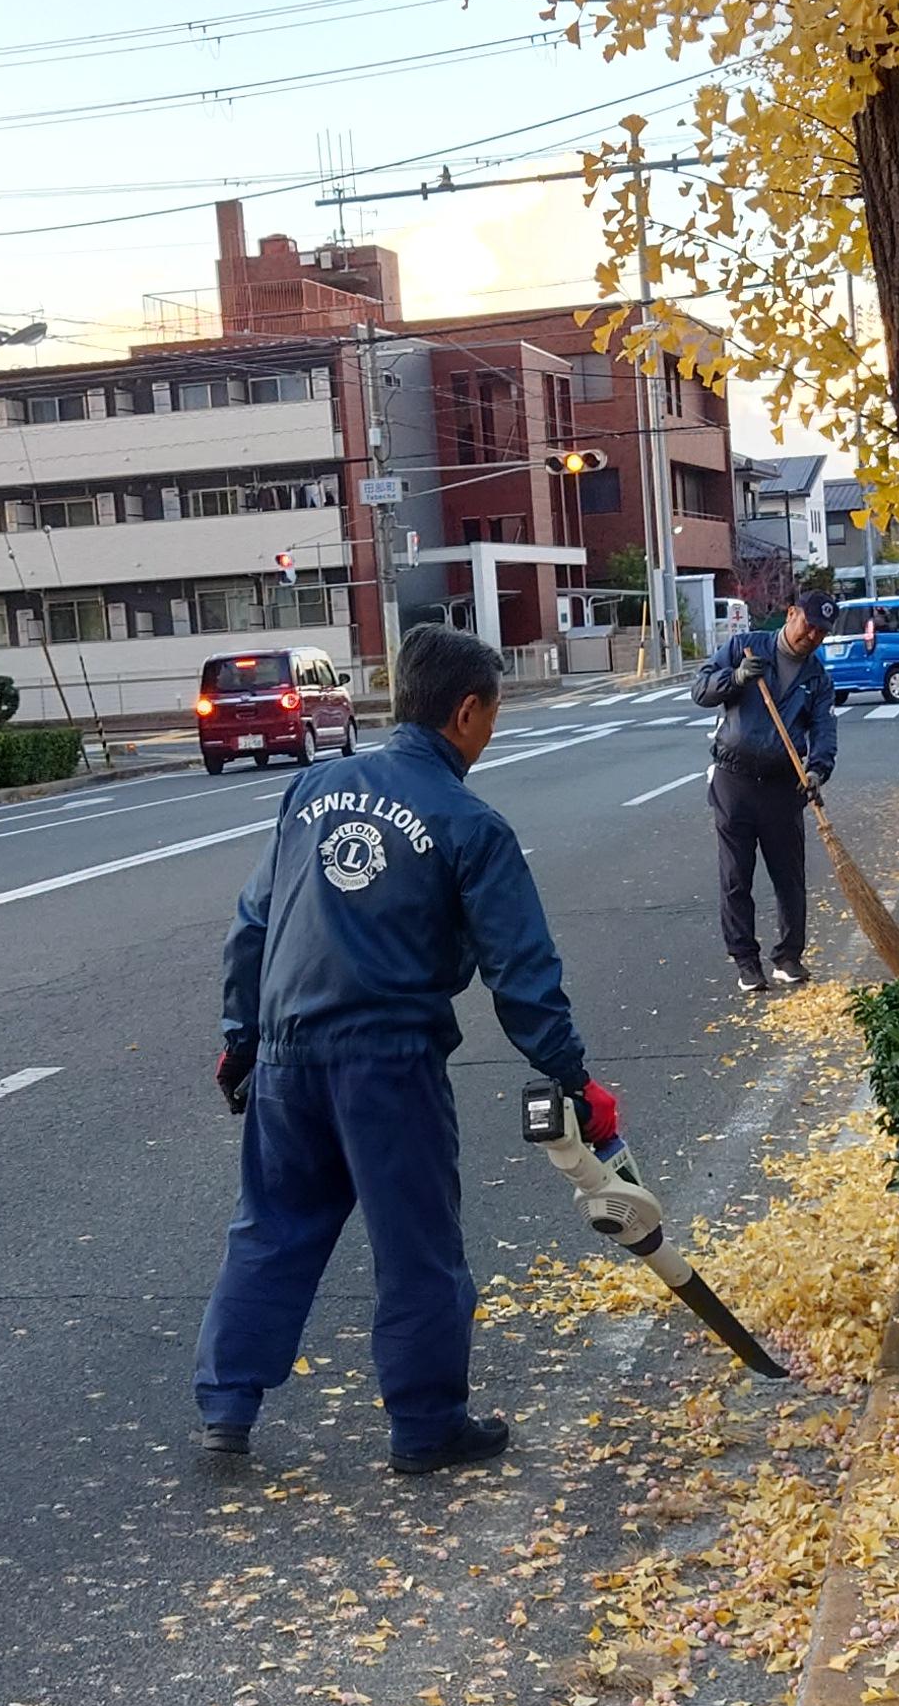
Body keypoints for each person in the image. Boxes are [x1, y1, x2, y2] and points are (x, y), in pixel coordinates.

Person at [196, 623, 624, 1471]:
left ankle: (225, 1407)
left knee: (272, 1229)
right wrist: (570, 1074)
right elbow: (520, 972)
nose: (491, 731)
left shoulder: (311, 792)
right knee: (416, 1244)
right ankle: (427, 1426)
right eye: (492, 715)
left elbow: (253, 925)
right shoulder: (469, 821)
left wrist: (240, 1036)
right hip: (386, 1060)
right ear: (466, 713)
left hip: (284, 1055)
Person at [692, 586, 842, 993]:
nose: (812, 637)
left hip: (783, 784)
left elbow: (824, 729)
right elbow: (700, 690)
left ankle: (788, 957)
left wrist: (817, 770)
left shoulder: (816, 678)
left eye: (821, 634)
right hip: (734, 780)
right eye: (809, 626)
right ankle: (745, 961)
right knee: (736, 876)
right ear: (792, 614)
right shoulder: (746, 647)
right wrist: (736, 678)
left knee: (789, 876)